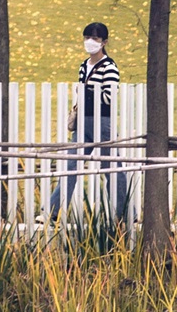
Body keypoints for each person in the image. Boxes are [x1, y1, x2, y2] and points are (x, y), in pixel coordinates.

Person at [48, 21, 130, 221]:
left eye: (95, 38)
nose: (90, 42)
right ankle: (53, 212)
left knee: (112, 168)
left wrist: (88, 93)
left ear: (104, 42)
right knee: (71, 166)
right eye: (87, 38)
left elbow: (110, 96)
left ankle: (125, 212)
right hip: (83, 120)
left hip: (102, 120)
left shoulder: (110, 67)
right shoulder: (84, 65)